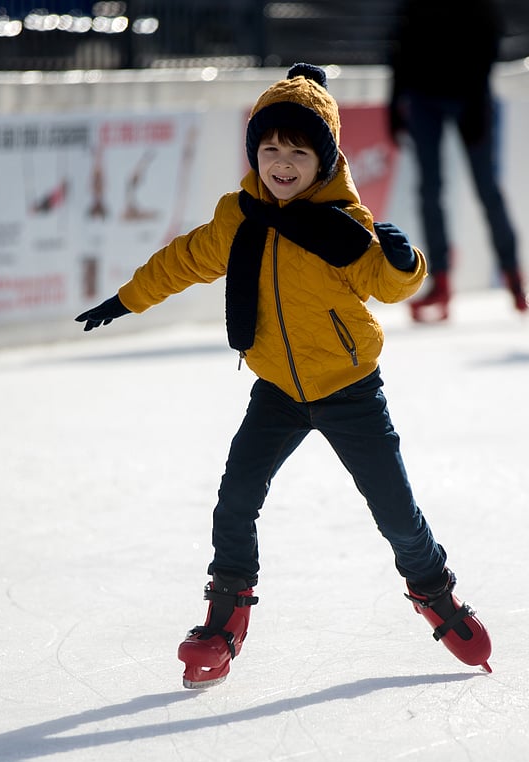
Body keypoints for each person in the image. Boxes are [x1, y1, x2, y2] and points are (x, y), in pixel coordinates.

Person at [75, 64, 492, 689]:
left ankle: (434, 592)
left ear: (324, 160)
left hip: (350, 391)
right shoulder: (239, 217)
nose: (282, 164)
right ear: (255, 154)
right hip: (277, 391)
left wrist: (406, 262)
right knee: (235, 500)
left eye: (298, 152)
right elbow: (184, 260)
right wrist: (127, 299)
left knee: (396, 512)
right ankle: (224, 619)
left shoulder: (341, 225)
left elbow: (385, 282)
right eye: (270, 150)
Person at [388, 0, 529, 322]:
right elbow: (402, 38)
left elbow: (489, 34)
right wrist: (393, 101)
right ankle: (440, 281)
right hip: (424, 96)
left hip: (468, 97)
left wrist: (477, 98)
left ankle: (514, 277)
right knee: (430, 191)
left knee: (486, 187)